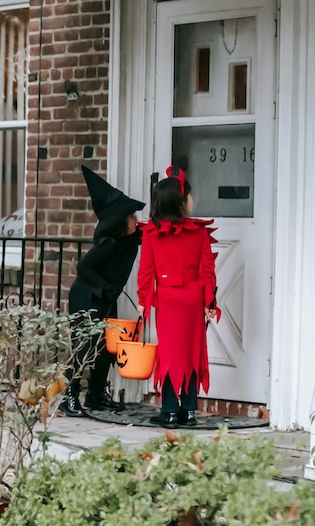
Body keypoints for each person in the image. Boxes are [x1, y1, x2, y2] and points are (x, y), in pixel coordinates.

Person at [137, 166, 220, 428]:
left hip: (168, 300)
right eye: (190, 195)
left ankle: (170, 411)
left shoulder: (151, 233)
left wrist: (143, 302)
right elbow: (208, 269)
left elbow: (146, 270)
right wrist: (209, 302)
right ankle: (189, 411)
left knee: (171, 353)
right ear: (181, 201)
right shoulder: (199, 232)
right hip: (193, 297)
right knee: (192, 351)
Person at [61, 166, 145, 417]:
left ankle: (97, 395)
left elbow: (146, 233)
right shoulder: (108, 245)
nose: (136, 220)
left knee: (107, 348)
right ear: (120, 221)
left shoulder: (128, 239)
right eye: (131, 216)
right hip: (87, 298)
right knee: (84, 347)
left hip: (106, 299)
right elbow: (84, 267)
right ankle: (69, 396)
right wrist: (105, 288)